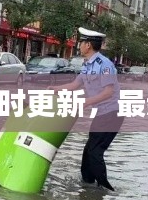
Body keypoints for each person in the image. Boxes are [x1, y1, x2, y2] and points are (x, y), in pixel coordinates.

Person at [49, 27, 123, 191]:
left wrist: (86, 102)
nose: (79, 45)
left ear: (88, 45)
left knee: (95, 152)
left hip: (112, 114)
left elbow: (108, 92)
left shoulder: (104, 65)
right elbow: (75, 85)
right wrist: (55, 89)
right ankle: (87, 185)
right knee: (89, 151)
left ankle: (106, 190)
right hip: (102, 114)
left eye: (81, 42)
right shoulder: (87, 65)